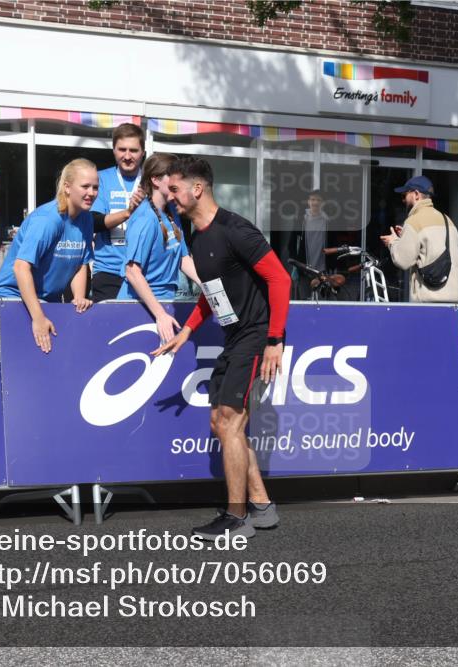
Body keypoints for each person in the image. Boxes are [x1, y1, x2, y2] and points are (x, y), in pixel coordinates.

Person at [153, 157, 291, 540]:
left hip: (257, 334)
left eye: (175, 189)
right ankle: (261, 506)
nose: (170, 195)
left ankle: (237, 516)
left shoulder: (236, 230)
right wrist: (188, 331)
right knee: (221, 423)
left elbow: (280, 280)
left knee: (230, 420)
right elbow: (211, 293)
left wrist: (275, 340)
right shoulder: (196, 235)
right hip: (234, 336)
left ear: (197, 189)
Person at [0, 158, 97, 353]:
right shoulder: (48, 220)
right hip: (10, 301)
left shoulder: (86, 218)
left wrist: (79, 298)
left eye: (95, 187)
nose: (92, 193)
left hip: (45, 304)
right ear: (67, 187)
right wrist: (37, 318)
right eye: (85, 186)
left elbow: (81, 264)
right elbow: (21, 267)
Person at [118, 153, 201, 342]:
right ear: (155, 180)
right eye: (173, 177)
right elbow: (132, 272)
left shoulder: (171, 211)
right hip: (139, 307)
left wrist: (209, 287)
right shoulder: (145, 218)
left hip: (164, 303)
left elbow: (183, 258)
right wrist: (160, 314)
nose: (178, 183)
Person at [380, 175, 458, 303]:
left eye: (405, 195)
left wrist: (393, 242)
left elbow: (403, 260)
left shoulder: (414, 221)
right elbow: (433, 249)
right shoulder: (447, 220)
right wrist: (406, 238)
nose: (403, 200)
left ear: (416, 194)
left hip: (427, 300)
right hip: (453, 299)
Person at [90, 122, 146, 301]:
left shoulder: (151, 182)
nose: (127, 156)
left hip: (143, 272)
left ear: (143, 152)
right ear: (114, 150)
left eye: (134, 150)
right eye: (122, 150)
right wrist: (127, 212)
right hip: (109, 272)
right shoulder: (101, 179)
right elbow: (94, 222)